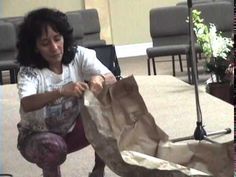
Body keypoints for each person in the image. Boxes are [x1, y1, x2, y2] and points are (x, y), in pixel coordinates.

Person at [16, 7, 116, 177]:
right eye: (45, 43)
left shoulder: (78, 55)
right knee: (52, 147)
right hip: (36, 137)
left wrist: (99, 78)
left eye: (57, 39)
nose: (55, 48)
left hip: (72, 130)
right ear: (35, 47)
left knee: (107, 117)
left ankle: (98, 171)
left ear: (64, 37)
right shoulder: (29, 72)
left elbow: (112, 77)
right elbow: (27, 102)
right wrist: (61, 91)